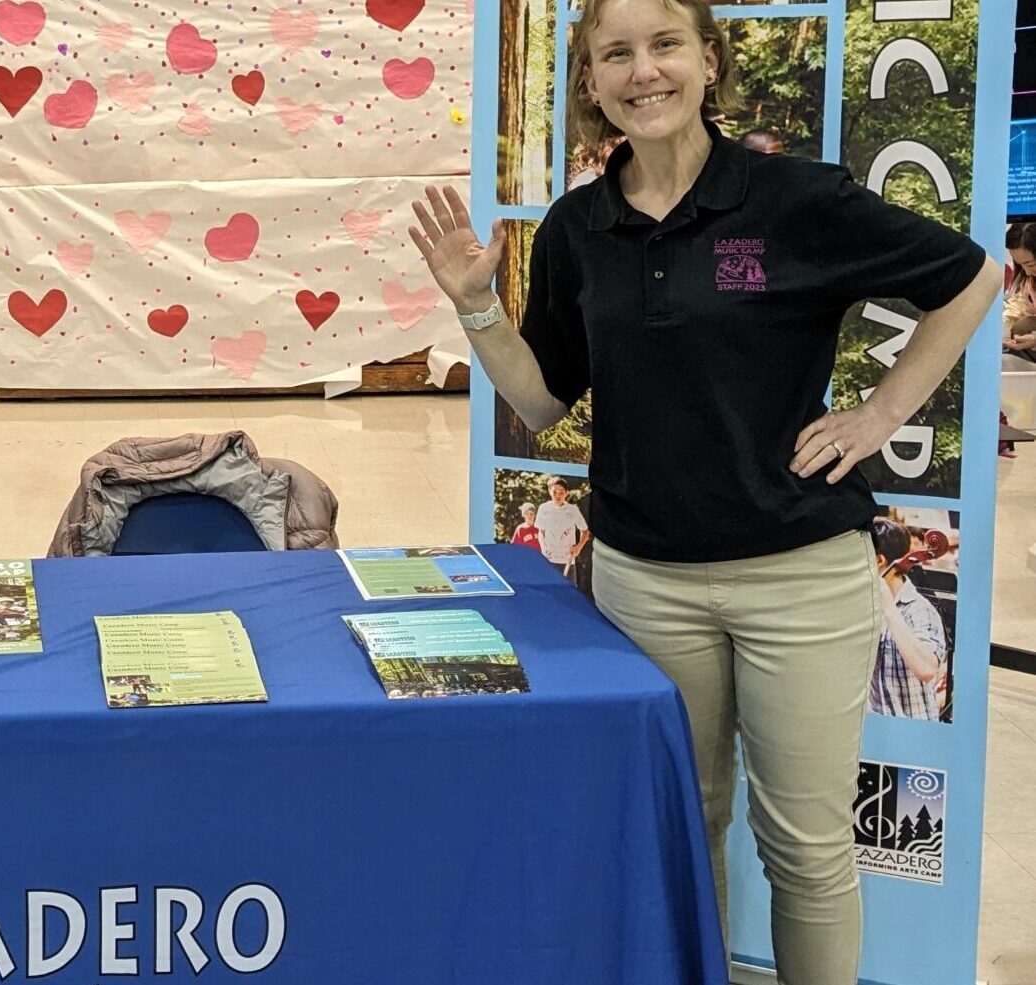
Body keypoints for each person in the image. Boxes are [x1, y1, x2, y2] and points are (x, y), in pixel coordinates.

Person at [407, 0, 999, 974]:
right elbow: (542, 400)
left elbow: (969, 278)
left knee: (806, 849)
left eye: (664, 45)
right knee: (685, 825)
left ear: (709, 61)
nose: (642, 70)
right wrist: (476, 309)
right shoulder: (575, 228)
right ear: (591, 82)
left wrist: (881, 414)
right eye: (615, 54)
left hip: (799, 575)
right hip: (645, 581)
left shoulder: (792, 198)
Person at [866, 518, 948, 721]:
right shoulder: (866, 603)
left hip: (913, 727)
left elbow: (926, 669)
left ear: (879, 561)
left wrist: (889, 609)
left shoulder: (919, 610)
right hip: (877, 724)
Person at [532, 478, 590, 589]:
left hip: (567, 560)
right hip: (549, 561)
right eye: (554, 492)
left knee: (568, 595)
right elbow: (541, 532)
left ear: (566, 493)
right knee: (549, 593)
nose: (558, 496)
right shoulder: (543, 509)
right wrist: (544, 548)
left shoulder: (573, 510)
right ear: (549, 491)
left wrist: (578, 547)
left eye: (561, 492)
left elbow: (585, 532)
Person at [1003, 223, 1036, 360]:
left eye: (1031, 264)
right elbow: (1017, 307)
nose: (1027, 271)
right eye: (1020, 265)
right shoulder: (1028, 283)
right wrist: (1003, 330)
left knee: (1025, 326)